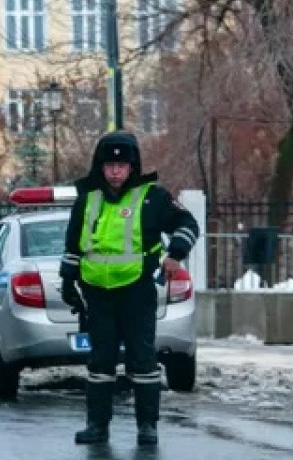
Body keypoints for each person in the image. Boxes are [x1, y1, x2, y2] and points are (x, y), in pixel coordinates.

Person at [59, 131, 199, 446]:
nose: (116, 171)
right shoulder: (88, 198)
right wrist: (68, 282)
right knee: (100, 361)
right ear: (101, 166)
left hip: (136, 291)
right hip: (96, 292)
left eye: (122, 165)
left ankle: (147, 426)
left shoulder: (152, 196)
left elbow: (188, 224)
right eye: (110, 165)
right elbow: (73, 244)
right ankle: (97, 426)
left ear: (133, 167)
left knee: (142, 359)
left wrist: (175, 253)